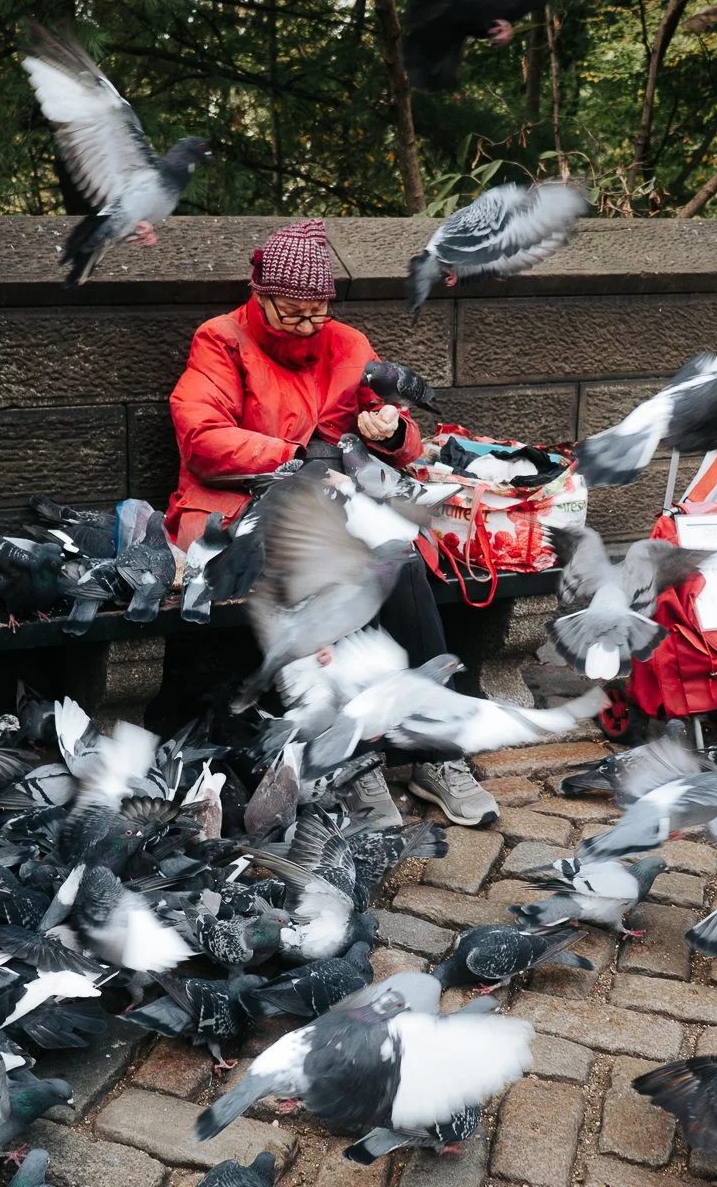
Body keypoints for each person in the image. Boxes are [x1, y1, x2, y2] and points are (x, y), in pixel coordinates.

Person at [154, 219, 498, 829]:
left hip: (337, 502)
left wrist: (391, 433)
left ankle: (435, 753)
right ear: (259, 294)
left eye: (320, 312)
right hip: (244, 509)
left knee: (400, 561)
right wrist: (294, 462)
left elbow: (396, 432)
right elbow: (203, 438)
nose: (311, 327)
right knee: (329, 575)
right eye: (294, 314)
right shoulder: (221, 339)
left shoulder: (347, 343)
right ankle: (352, 769)